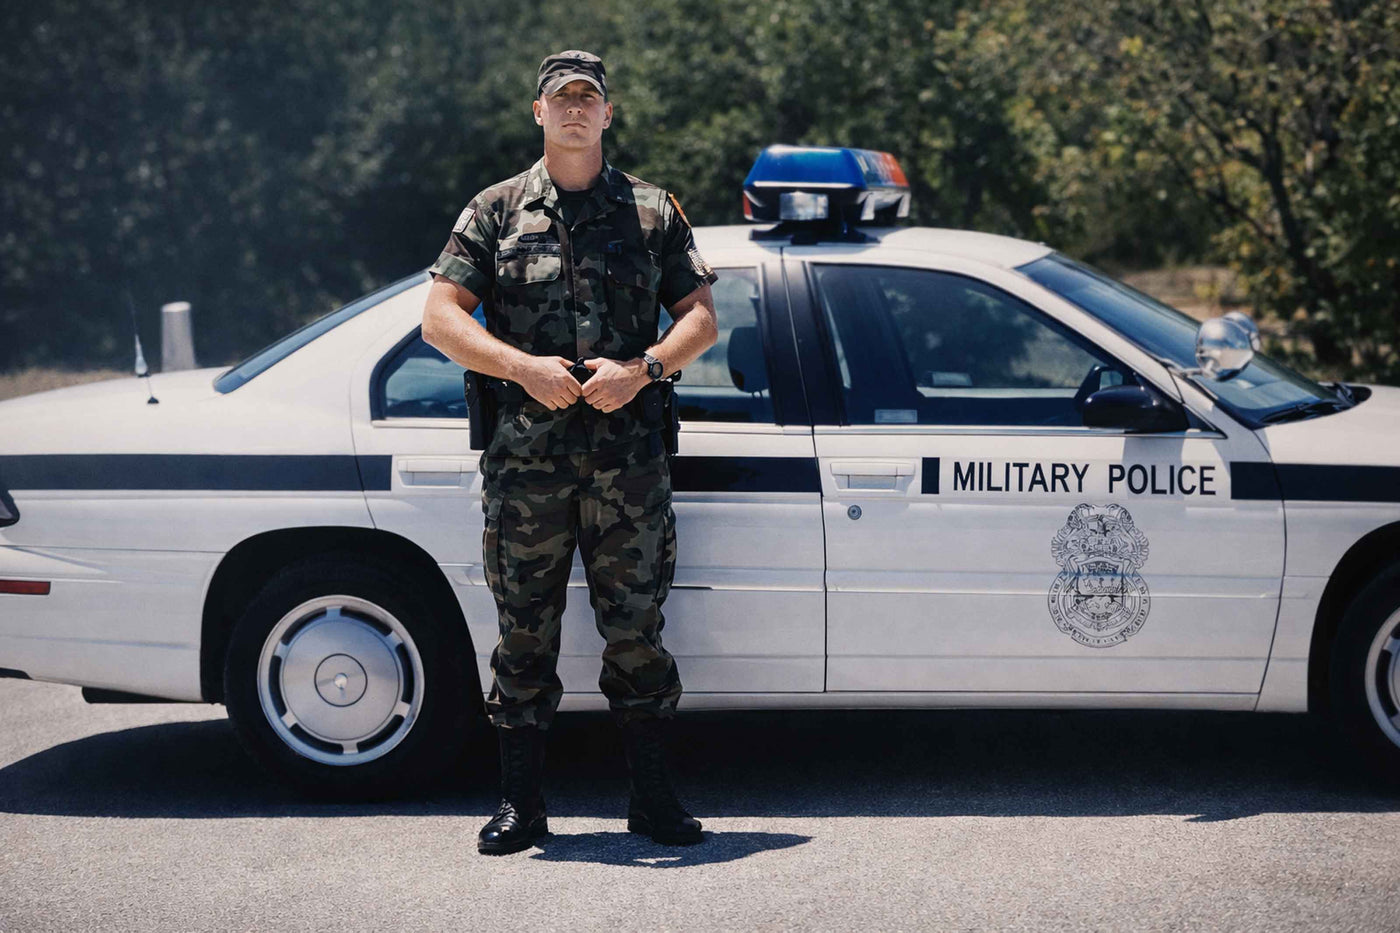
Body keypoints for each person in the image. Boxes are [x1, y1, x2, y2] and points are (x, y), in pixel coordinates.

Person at [421, 49, 719, 855]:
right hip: (528, 468)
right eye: (563, 98)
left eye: (589, 97)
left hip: (630, 467)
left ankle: (651, 800)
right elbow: (440, 318)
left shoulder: (652, 211)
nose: (577, 109)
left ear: (608, 113)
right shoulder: (495, 210)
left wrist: (643, 369)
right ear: (539, 112)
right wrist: (521, 367)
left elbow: (700, 317)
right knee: (523, 633)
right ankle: (522, 805)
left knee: (637, 632)